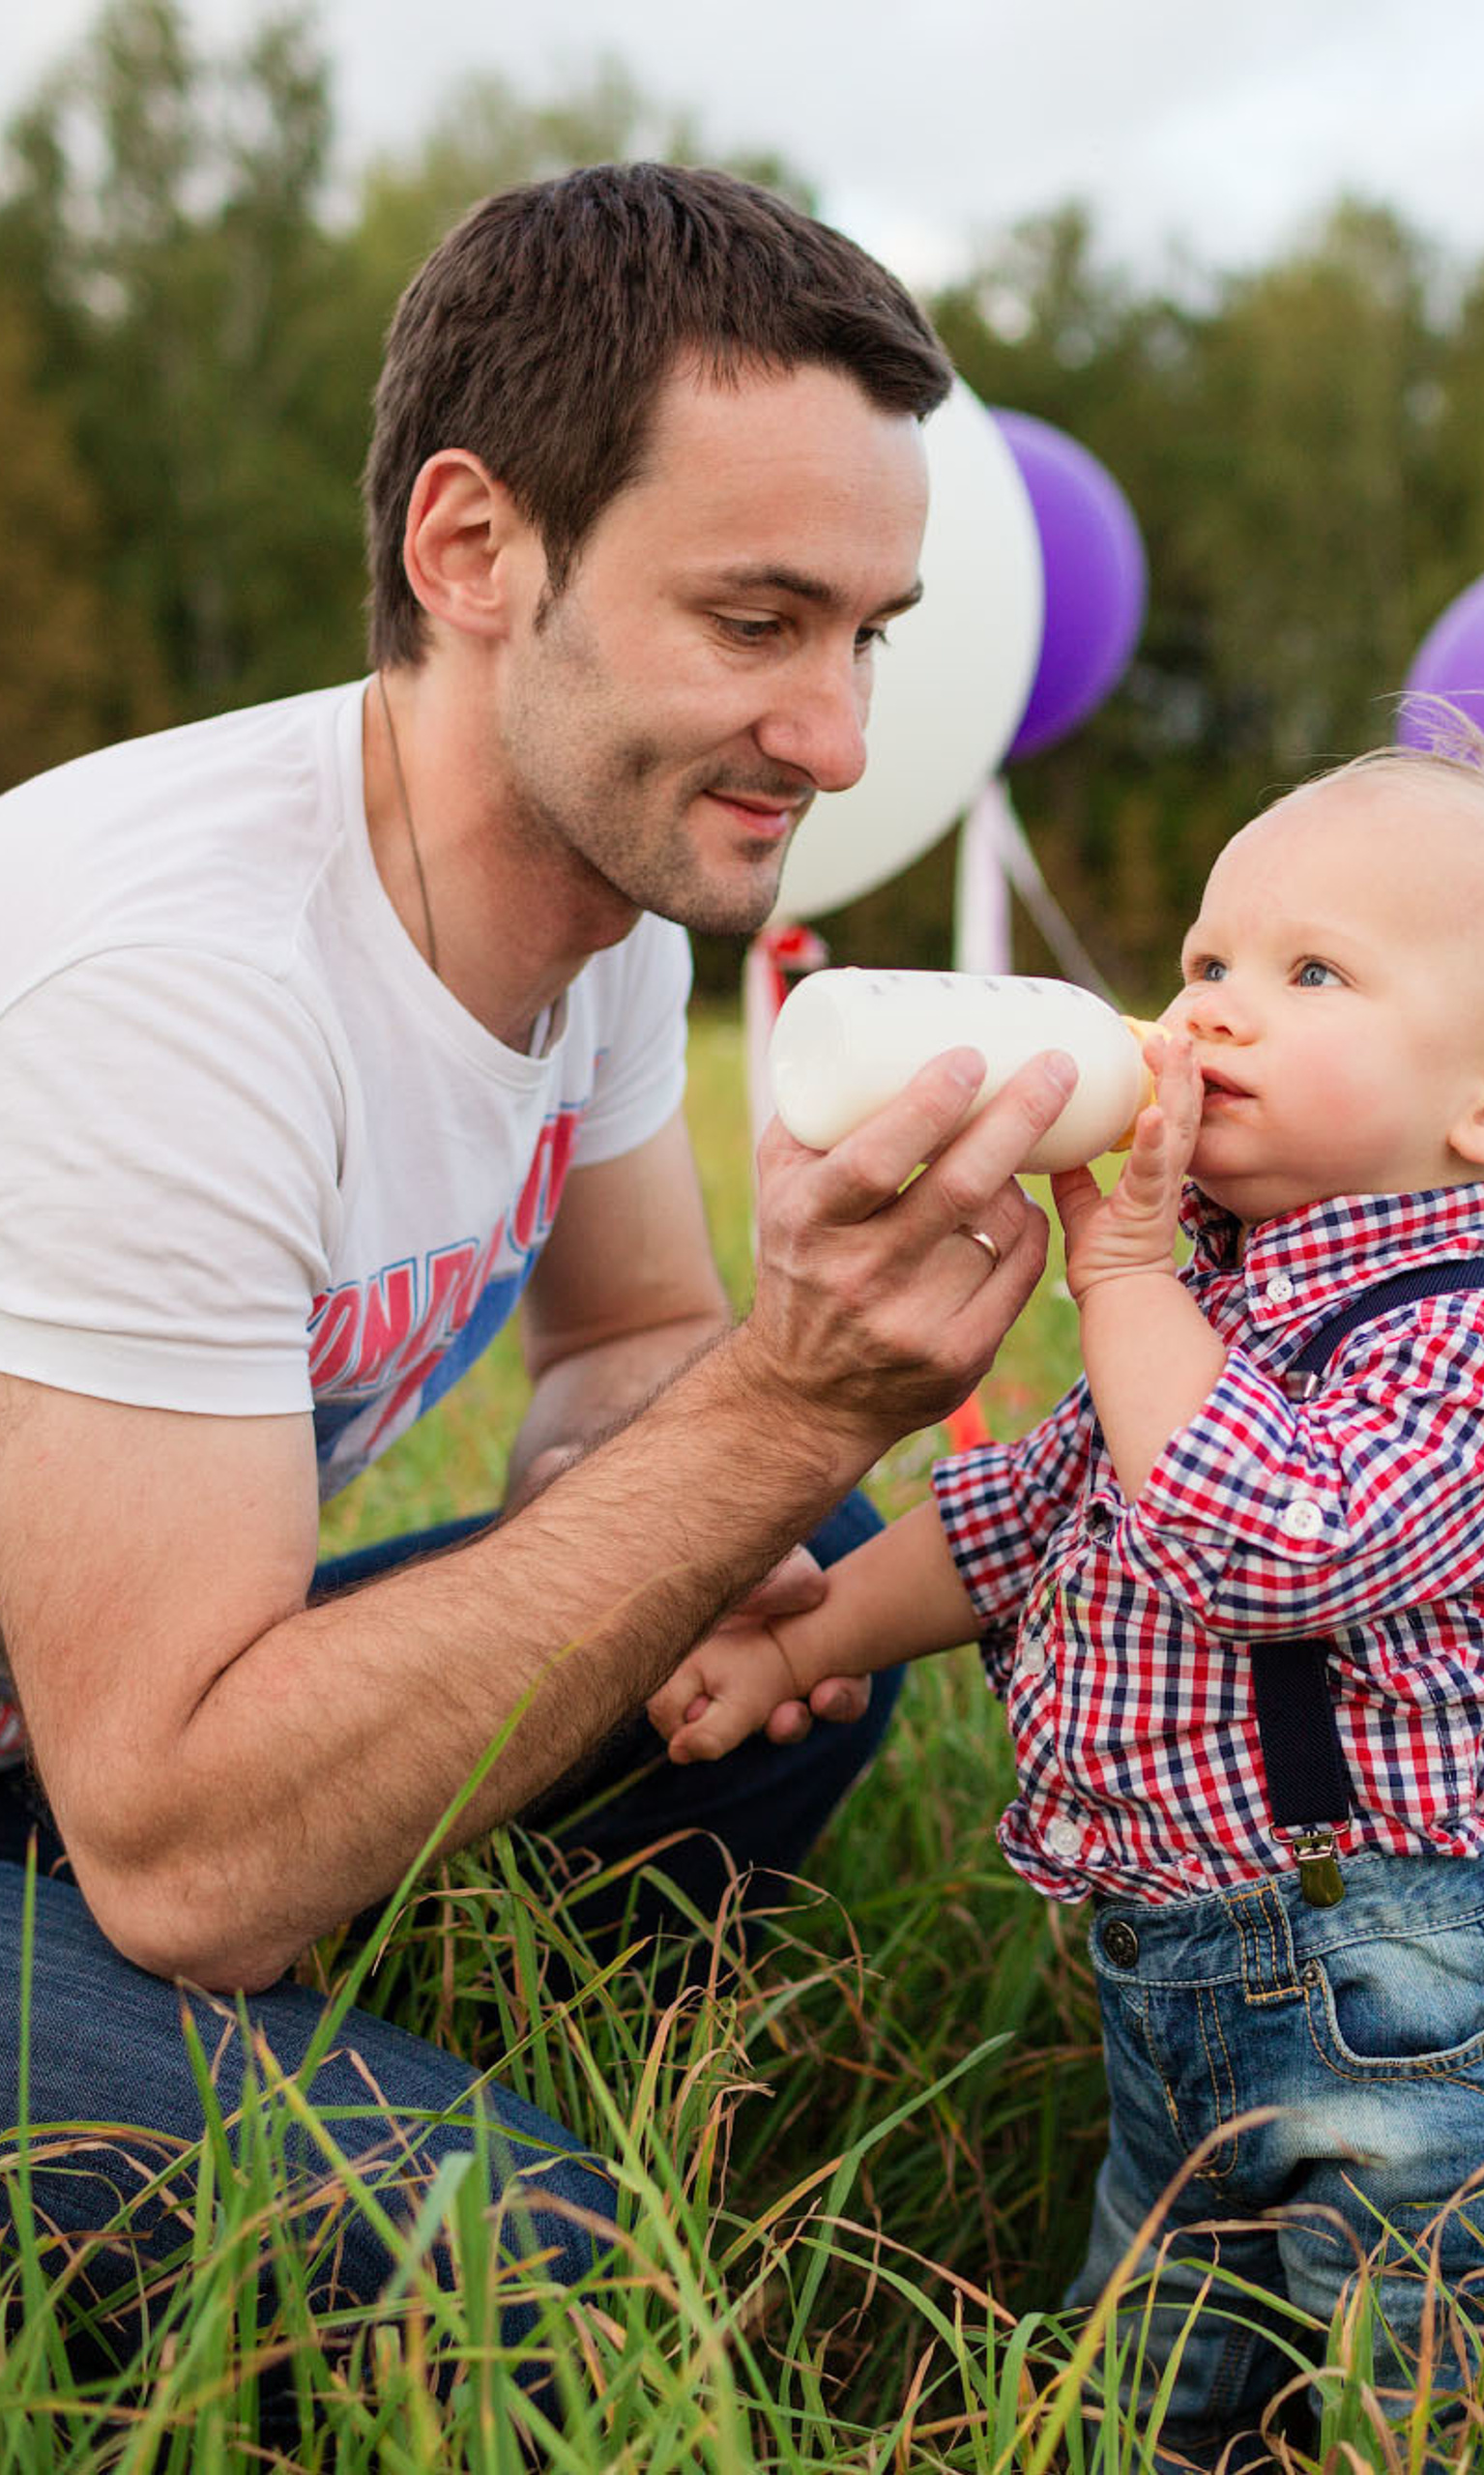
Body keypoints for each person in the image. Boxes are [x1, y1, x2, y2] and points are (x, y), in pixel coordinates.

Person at [0, 162, 1077, 2372]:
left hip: (80, 1728)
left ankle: (317, 2053)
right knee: (536, 2273)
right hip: (130, 1787)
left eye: (865, 636)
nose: (841, 738)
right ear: (475, 549)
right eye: (758, 623)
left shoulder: (585, 885)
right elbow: (179, 1855)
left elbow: (625, 1345)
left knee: (780, 1579)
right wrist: (781, 1402)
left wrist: (754, 1442)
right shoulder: (171, 980)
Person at [651, 721, 1484, 2465]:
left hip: (1406, 2000)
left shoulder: (1473, 1357)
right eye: (1203, 964)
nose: (1207, 1015)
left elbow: (1271, 1549)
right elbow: (1012, 1525)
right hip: (1169, 1985)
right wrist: (802, 1636)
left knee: (1427, 2400)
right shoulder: (1198, 1317)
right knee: (1146, 2376)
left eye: (1310, 970)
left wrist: (1118, 1269)